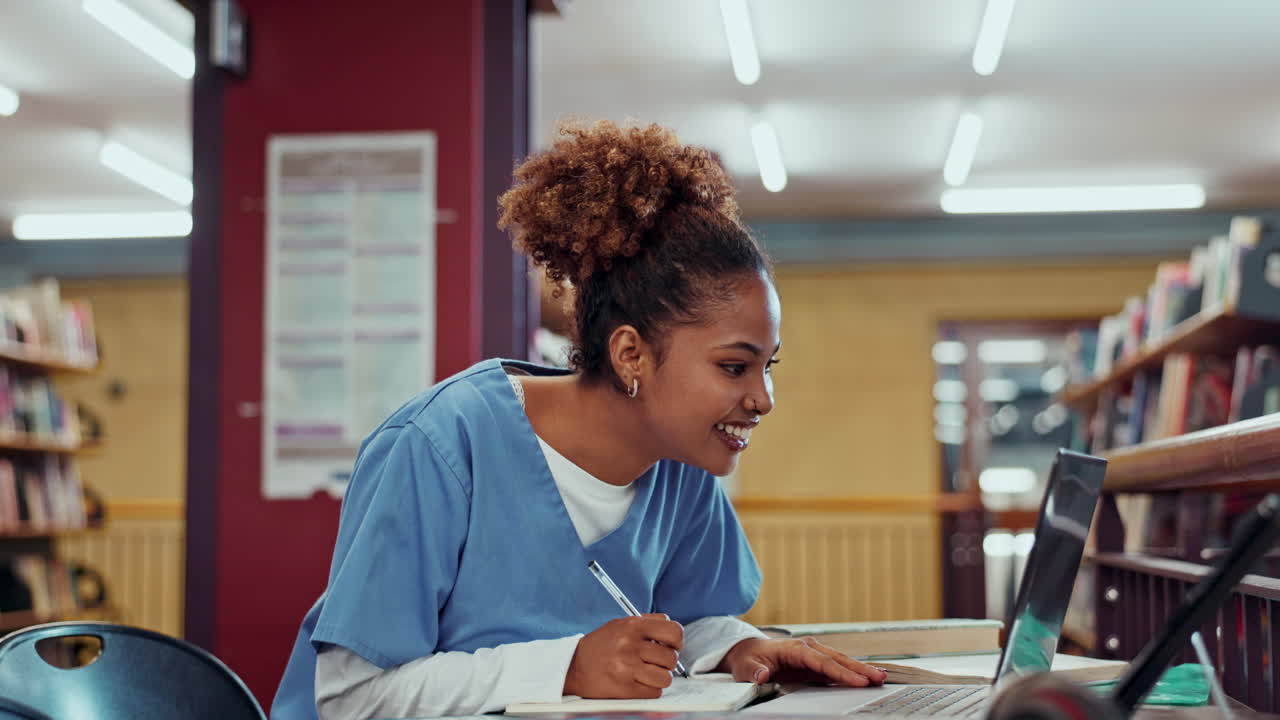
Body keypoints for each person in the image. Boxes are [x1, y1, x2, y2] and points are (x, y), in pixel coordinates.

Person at [270, 121, 886, 720]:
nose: (763, 398)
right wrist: (567, 668)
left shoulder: (686, 459)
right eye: (734, 368)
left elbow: (686, 619)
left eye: (767, 367)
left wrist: (735, 648)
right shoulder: (440, 445)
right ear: (630, 354)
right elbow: (351, 698)